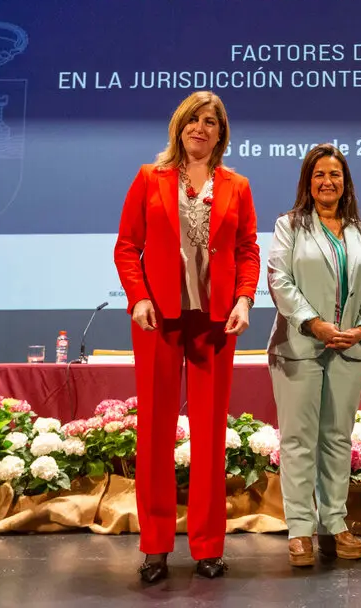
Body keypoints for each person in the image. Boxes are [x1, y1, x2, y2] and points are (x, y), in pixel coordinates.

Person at [113, 91, 260, 584]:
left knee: (210, 436)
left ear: (222, 133)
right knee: (154, 432)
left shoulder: (236, 185)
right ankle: (155, 545)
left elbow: (247, 250)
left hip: (215, 322)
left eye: (211, 122)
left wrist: (243, 298)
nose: (201, 127)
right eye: (194, 120)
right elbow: (127, 247)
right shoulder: (148, 179)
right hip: (159, 320)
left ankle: (207, 546)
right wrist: (138, 298)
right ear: (179, 127)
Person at [266, 143, 361, 567]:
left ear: (345, 182)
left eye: (335, 174)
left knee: (336, 439)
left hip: (349, 349)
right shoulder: (289, 226)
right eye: (319, 175)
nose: (327, 181)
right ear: (308, 182)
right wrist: (313, 323)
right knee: (298, 441)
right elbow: (279, 279)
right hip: (300, 346)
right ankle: (299, 529)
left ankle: (334, 523)